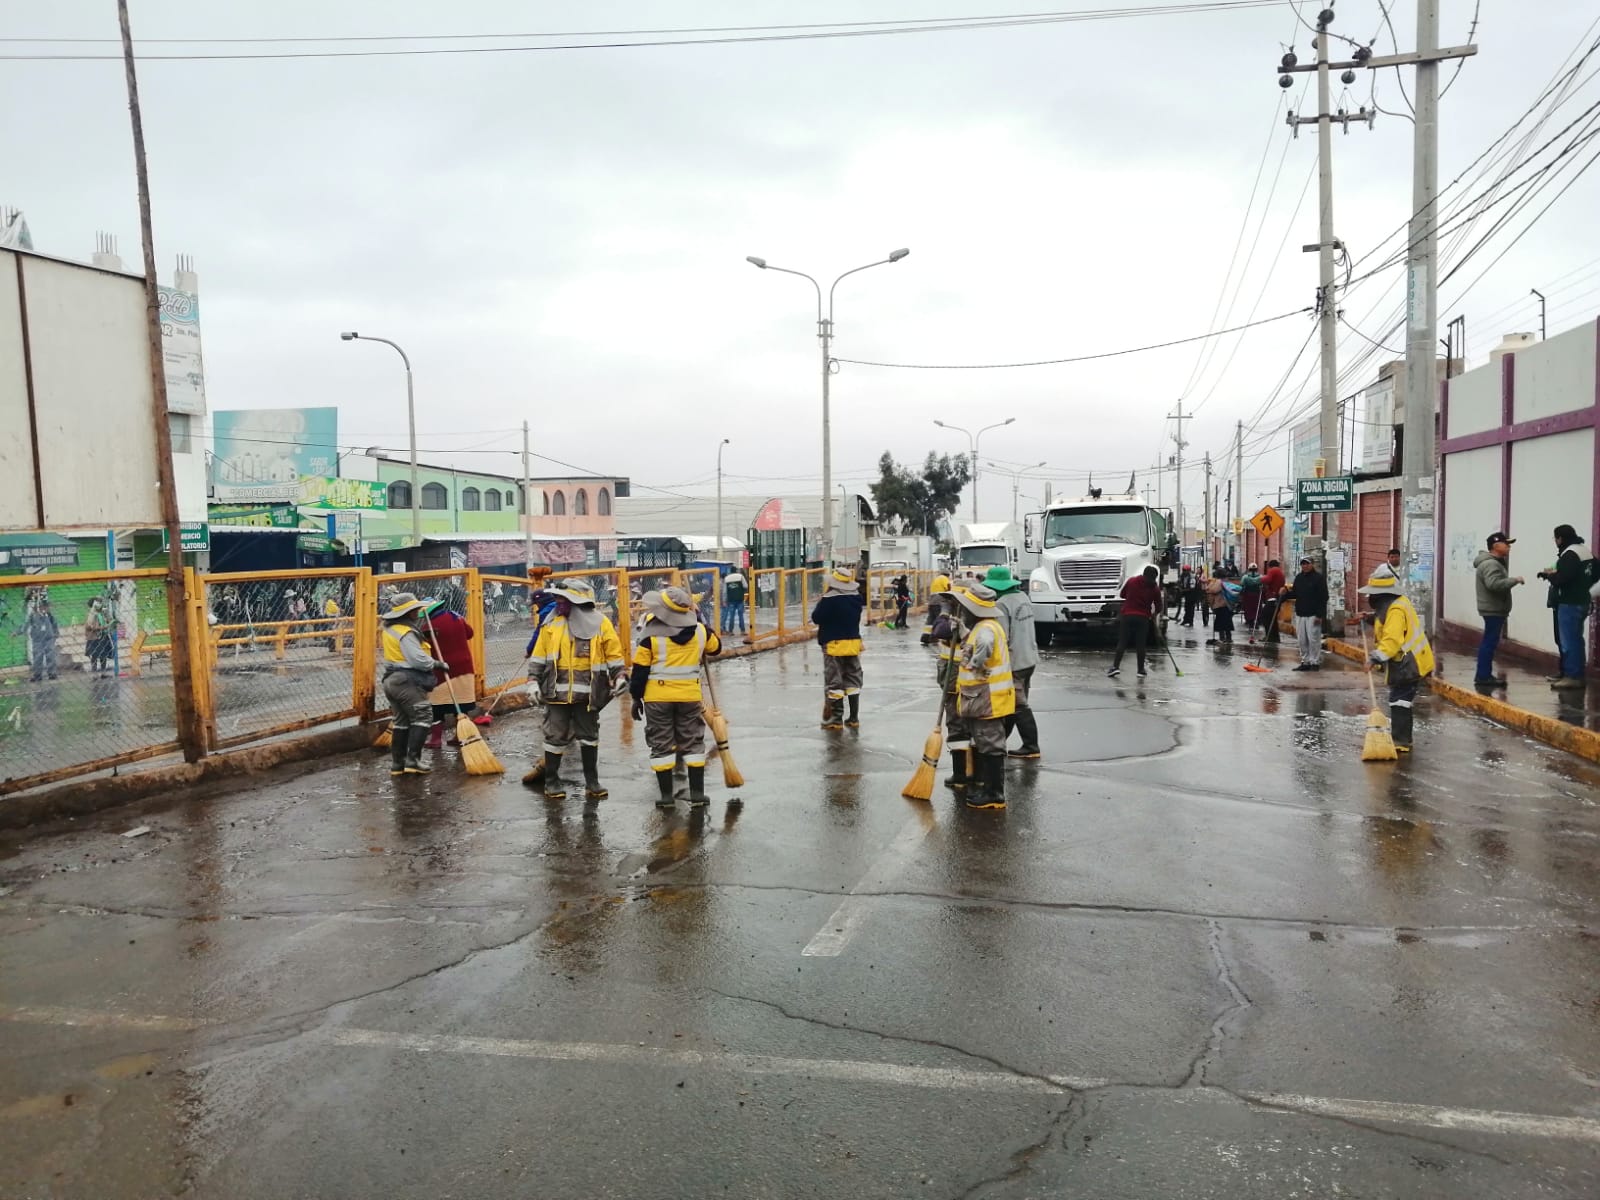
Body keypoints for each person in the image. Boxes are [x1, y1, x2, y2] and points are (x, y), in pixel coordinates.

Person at [527, 578, 627, 805]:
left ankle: (592, 782)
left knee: (589, 737)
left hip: (589, 695)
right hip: (556, 694)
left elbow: (613, 653)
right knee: (555, 737)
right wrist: (532, 681)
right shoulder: (550, 624)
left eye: (562, 599)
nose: (558, 603)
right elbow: (539, 656)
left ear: (576, 601)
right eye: (557, 598)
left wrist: (620, 676)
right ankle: (551, 781)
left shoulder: (600, 624)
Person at [630, 586, 723, 809]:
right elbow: (716, 648)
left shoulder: (650, 634)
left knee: (661, 744)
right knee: (692, 743)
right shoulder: (700, 631)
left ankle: (666, 797)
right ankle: (698, 795)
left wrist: (636, 698)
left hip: (657, 698)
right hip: (690, 697)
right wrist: (701, 620)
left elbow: (640, 670)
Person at [948, 584, 1015, 810]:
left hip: (988, 698)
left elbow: (984, 645)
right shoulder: (985, 626)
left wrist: (975, 664)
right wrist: (964, 631)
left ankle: (994, 793)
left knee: (990, 745)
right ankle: (989, 788)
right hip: (984, 698)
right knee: (987, 743)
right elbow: (977, 642)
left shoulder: (986, 629)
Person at [1360, 569, 1434, 753]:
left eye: (1373, 595)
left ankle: (1401, 742)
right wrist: (1369, 618)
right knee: (1400, 699)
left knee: (1400, 701)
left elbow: (1392, 640)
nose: (1370, 598)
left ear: (1382, 596)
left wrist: (1375, 658)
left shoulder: (1395, 609)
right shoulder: (1395, 605)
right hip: (1406, 662)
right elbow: (1385, 624)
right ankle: (1402, 739)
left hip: (1409, 664)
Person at [380, 593, 446, 775]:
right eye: (414, 610)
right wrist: (437, 664)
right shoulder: (406, 633)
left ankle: (397, 764)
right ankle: (413, 761)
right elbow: (417, 660)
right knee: (423, 715)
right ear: (407, 613)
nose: (417, 612)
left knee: (401, 721)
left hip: (391, 680)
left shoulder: (390, 629)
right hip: (407, 681)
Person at [984, 565, 1041, 759]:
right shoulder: (1023, 598)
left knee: (1018, 705)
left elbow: (1001, 637)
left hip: (1014, 661)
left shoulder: (1001, 604)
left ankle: (1031, 746)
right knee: (1010, 704)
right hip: (1029, 659)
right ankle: (1002, 741)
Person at [422, 592, 485, 750]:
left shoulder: (427, 627)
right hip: (464, 666)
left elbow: (424, 647)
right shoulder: (456, 617)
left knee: (438, 706)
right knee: (462, 703)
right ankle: (460, 734)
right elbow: (470, 633)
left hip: (442, 669)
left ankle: (436, 739)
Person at [1538, 523, 1595, 689]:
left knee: (1568, 641)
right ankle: (1571, 673)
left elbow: (1563, 578)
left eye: (1555, 538)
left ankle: (1572, 676)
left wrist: (1549, 576)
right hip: (1581, 601)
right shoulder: (1585, 551)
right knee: (1576, 639)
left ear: (1560, 538)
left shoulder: (1570, 554)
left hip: (1569, 602)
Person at [811, 568, 865, 730]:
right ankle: (853, 718)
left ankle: (836, 719)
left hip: (833, 645)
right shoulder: (857, 597)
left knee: (835, 681)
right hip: (853, 644)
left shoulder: (829, 598)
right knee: (853, 679)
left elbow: (817, 618)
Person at [1473, 532, 1523, 687]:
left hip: (1493, 608)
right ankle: (1483, 676)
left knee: (1489, 641)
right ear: (1496, 546)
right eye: (1506, 544)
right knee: (1489, 642)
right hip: (1493, 609)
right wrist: (1514, 580)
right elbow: (1493, 584)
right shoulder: (1491, 564)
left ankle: (1483, 674)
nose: (1509, 547)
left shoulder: (1494, 562)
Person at [1109, 565, 1161, 678]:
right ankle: (1140, 670)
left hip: (1127, 615)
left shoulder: (1132, 581)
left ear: (1144, 574)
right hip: (1143, 618)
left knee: (1122, 642)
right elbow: (1159, 607)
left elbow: (1122, 594)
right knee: (1140, 644)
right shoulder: (1155, 589)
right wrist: (1154, 614)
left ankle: (1115, 667)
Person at [1277, 557, 1328, 670]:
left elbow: (1323, 598)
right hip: (1300, 613)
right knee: (1302, 639)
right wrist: (1284, 594)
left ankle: (1314, 662)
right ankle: (1305, 661)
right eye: (1303, 564)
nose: (1305, 566)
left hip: (1313, 614)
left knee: (1313, 639)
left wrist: (1320, 615)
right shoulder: (1299, 578)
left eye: (1307, 564)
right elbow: (1295, 593)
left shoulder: (1319, 579)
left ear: (1312, 564)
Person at [22, 599, 61, 682]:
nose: (46, 608)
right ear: (38, 607)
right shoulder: (33, 615)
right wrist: (18, 632)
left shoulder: (49, 615)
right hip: (37, 640)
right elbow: (26, 625)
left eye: (47, 607)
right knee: (37, 657)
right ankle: (37, 675)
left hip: (49, 639)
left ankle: (52, 673)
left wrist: (56, 633)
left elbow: (54, 624)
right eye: (44, 607)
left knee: (50, 656)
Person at [1259, 559, 1286, 644]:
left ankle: (1269, 636)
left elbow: (1267, 580)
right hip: (1277, 597)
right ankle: (1275, 637)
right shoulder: (1280, 572)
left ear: (1269, 566)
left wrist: (1261, 578)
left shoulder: (1273, 570)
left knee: (1266, 617)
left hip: (1272, 598)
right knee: (1272, 619)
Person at [85, 597, 113, 676]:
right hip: (94, 637)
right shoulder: (91, 614)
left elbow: (109, 620)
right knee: (94, 656)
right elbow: (89, 627)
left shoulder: (102, 613)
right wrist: (103, 627)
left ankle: (103, 673)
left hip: (103, 636)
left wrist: (107, 613)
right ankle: (94, 674)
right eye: (98, 602)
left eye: (101, 602)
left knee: (103, 655)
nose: (100, 604)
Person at [1205, 569, 1234, 645]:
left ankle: (1222, 638)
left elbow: (1212, 591)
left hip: (1220, 605)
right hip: (1227, 604)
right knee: (1227, 621)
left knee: (1221, 622)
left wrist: (1211, 605)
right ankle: (1228, 638)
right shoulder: (1227, 582)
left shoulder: (1218, 582)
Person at [920, 574, 952, 643]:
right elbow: (948, 587)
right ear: (947, 575)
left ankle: (925, 636)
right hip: (939, 602)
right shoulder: (944, 578)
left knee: (930, 619)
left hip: (931, 602)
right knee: (940, 619)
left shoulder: (936, 579)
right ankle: (934, 637)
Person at [1240, 564, 1263, 640]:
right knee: (1257, 609)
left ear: (1249, 569)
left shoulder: (1245, 577)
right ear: (1256, 569)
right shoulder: (1260, 577)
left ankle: (1250, 623)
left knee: (1248, 610)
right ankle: (1256, 623)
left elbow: (1242, 585)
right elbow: (1263, 585)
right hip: (1257, 595)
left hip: (1248, 596)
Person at [721, 570, 748, 635]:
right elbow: (746, 586)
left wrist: (724, 601)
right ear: (736, 571)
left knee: (732, 616)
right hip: (740, 599)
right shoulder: (740, 576)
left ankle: (730, 631)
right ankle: (742, 631)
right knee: (741, 615)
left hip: (731, 600)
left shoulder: (726, 578)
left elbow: (724, 592)